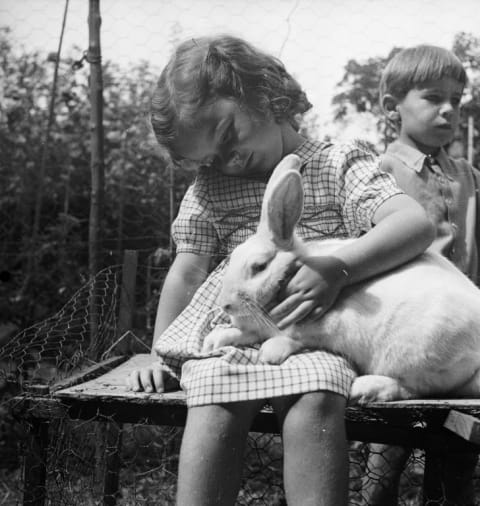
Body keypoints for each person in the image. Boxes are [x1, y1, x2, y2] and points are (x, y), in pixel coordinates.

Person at [126, 35, 434, 506]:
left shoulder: (338, 162)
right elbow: (187, 271)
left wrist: (338, 268)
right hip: (230, 335)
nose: (226, 162)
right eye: (209, 159)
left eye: (228, 137)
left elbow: (413, 223)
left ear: (264, 94)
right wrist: (159, 354)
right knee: (213, 390)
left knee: (315, 392)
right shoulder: (211, 191)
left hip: (319, 334)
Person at [362, 44, 480, 506]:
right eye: (434, 98)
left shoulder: (468, 175)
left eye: (458, 98)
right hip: (401, 342)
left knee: (458, 461)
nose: (450, 109)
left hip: (459, 340)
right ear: (393, 108)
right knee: (385, 461)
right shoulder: (378, 172)